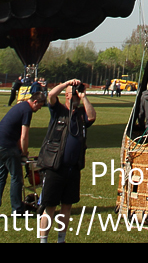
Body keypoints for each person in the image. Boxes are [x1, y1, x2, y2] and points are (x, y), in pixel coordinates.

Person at [38, 79, 96, 243]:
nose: (74, 98)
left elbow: (92, 116)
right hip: (55, 166)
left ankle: (61, 240)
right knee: (49, 206)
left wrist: (84, 97)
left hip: (73, 168)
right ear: (66, 96)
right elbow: (51, 95)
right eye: (72, 95)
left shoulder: (80, 117)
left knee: (67, 206)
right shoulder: (58, 111)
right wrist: (66, 84)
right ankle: (43, 240)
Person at [0, 89, 46, 220]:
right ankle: (17, 210)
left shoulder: (21, 106)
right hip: (6, 147)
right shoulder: (27, 111)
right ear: (35, 101)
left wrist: (20, 150)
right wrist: (24, 153)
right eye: (39, 106)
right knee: (16, 178)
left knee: (0, 177)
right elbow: (24, 136)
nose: (39, 109)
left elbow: (18, 136)